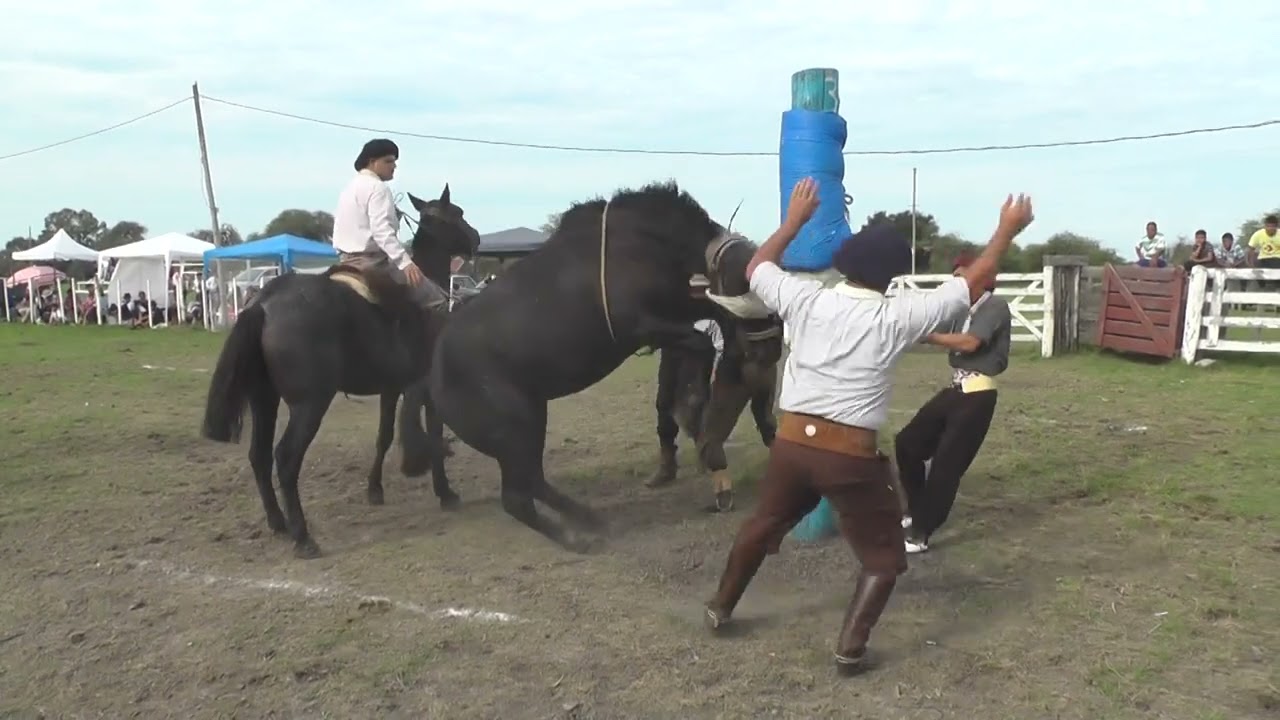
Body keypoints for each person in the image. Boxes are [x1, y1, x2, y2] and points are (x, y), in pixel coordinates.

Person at [701, 178, 1034, 674]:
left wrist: (794, 220)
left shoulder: (806, 298)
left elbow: (755, 267)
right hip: (848, 456)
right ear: (890, 277)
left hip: (792, 442)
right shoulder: (898, 317)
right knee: (883, 559)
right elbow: (974, 279)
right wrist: (1007, 231)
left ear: (846, 264)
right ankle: (850, 649)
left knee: (763, 524)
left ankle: (721, 606)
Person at [895, 254, 1012, 554]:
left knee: (947, 465)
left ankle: (921, 532)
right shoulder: (961, 308)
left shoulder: (995, 306)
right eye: (958, 277)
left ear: (985, 279)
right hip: (957, 387)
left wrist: (929, 337)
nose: (960, 283)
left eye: (966, 277)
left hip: (978, 392)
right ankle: (917, 509)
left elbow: (971, 342)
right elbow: (930, 317)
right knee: (908, 443)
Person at [332, 138, 448, 311]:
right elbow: (381, 232)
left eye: (395, 162)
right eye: (388, 161)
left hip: (344, 261)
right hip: (373, 264)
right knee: (436, 299)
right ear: (372, 162)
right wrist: (405, 262)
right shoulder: (378, 187)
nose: (394, 166)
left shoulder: (349, 188)